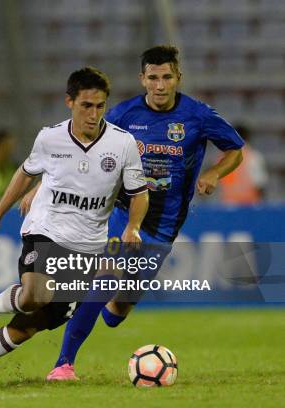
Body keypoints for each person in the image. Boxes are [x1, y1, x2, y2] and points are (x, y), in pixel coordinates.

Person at [19, 45, 244, 381]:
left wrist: (213, 174)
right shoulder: (124, 114)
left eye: (167, 77)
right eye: (152, 77)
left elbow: (235, 150)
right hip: (122, 215)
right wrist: (41, 185)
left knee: (119, 306)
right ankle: (64, 364)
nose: (160, 84)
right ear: (142, 79)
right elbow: (82, 147)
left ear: (177, 78)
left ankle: (109, 312)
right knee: (104, 278)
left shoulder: (198, 116)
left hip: (163, 228)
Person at [0, 67, 149, 385]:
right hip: (46, 229)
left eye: (100, 106)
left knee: (25, 327)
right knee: (35, 294)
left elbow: (139, 193)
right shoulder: (50, 137)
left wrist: (133, 226)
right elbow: (25, 172)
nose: (94, 113)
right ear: (69, 102)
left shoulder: (123, 143)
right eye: (86, 105)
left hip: (88, 247)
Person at [220, 124, 268, 205]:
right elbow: (260, 184)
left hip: (228, 206)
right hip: (249, 208)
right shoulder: (253, 156)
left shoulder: (222, 158)